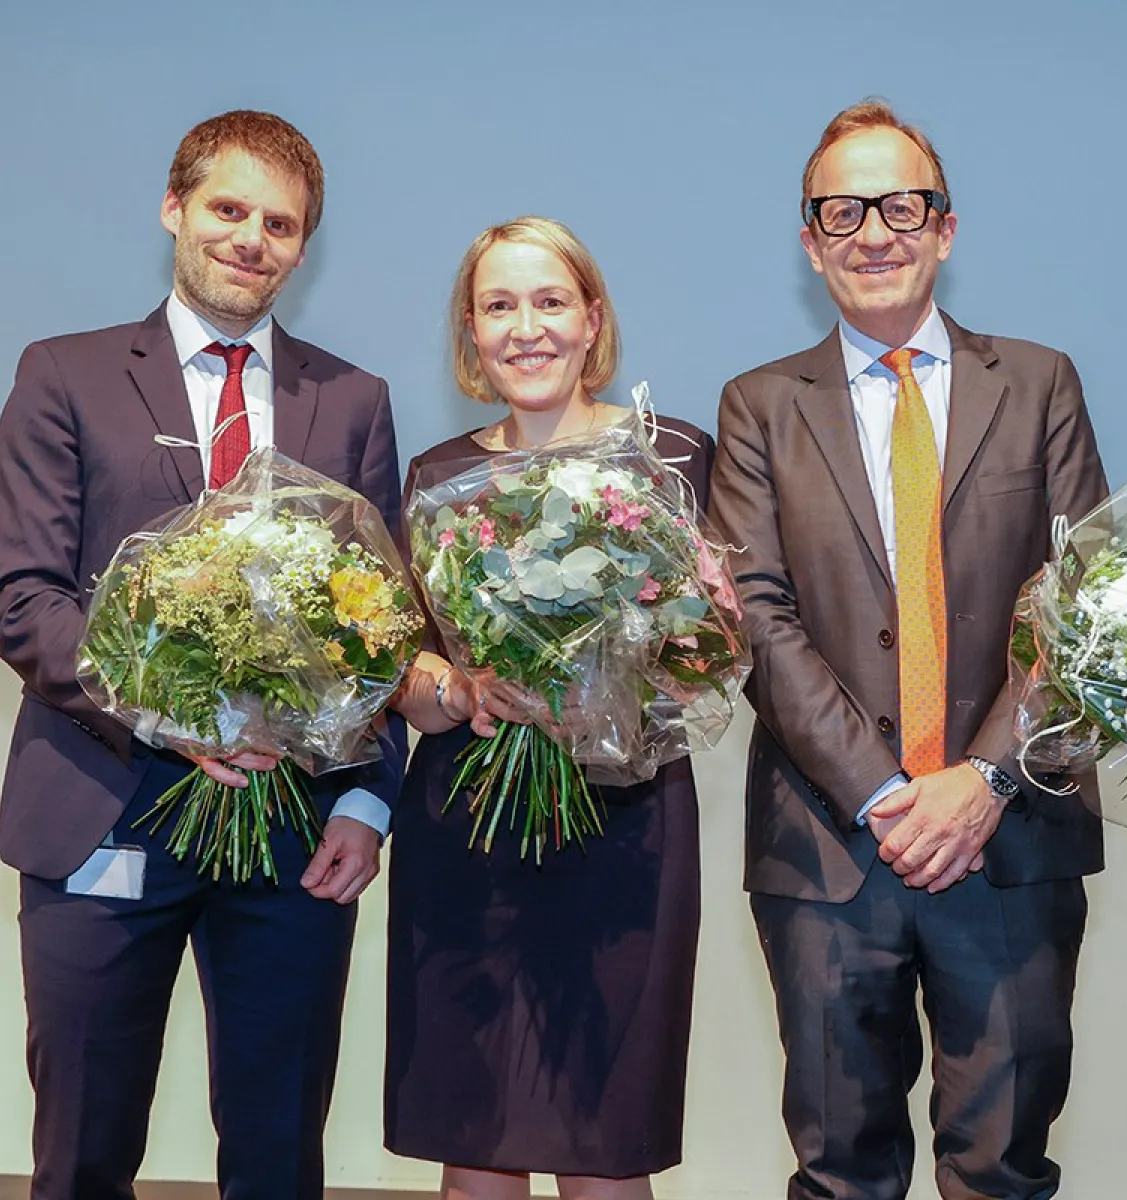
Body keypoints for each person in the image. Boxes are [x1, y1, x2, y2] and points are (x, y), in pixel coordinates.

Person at [0, 110, 406, 1198]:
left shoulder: (353, 400)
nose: (251, 239)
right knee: (82, 1154)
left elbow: (384, 625)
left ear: (302, 247)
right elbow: (25, 594)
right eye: (229, 209)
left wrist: (368, 806)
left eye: (280, 224)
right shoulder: (64, 374)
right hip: (99, 808)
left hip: (295, 829)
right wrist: (170, 713)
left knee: (278, 1155)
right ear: (174, 209)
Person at [708, 100, 1108, 1198]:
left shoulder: (1037, 385)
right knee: (840, 1169)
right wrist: (888, 795)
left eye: (901, 205)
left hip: (1012, 838)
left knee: (1004, 1168)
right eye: (844, 211)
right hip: (828, 851)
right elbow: (755, 614)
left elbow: (1081, 604)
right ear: (809, 240)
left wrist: (980, 782)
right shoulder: (757, 407)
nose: (873, 232)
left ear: (945, 228)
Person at [383, 216, 710, 1200]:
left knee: (601, 1134)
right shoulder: (438, 477)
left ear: (591, 319)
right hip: (466, 825)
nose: (526, 327)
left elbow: (711, 651)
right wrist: (459, 689)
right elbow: (400, 667)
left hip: (626, 826)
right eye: (498, 305)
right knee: (474, 1128)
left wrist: (618, 681)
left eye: (549, 300)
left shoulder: (669, 458)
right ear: (471, 334)